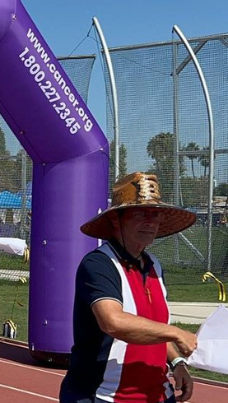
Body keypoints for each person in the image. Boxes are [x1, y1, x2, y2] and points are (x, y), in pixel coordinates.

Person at [60, 173, 198, 403]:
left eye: (155, 215)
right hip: (103, 396)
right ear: (116, 219)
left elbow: (152, 328)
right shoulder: (98, 264)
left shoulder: (154, 265)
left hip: (156, 394)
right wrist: (176, 332)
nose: (150, 222)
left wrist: (177, 363)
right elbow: (113, 322)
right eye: (140, 213)